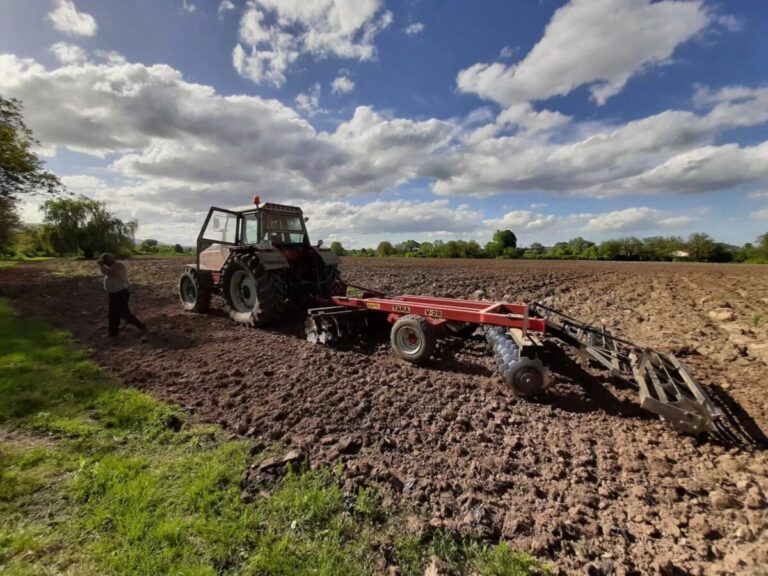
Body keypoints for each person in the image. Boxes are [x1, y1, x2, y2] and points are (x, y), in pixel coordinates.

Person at [97, 253, 147, 337]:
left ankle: (141, 326)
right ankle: (113, 333)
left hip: (120, 293)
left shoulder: (118, 265)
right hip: (114, 294)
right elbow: (107, 272)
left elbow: (108, 272)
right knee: (113, 314)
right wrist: (102, 266)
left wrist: (101, 265)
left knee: (124, 314)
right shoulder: (114, 266)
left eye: (105, 261)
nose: (105, 263)